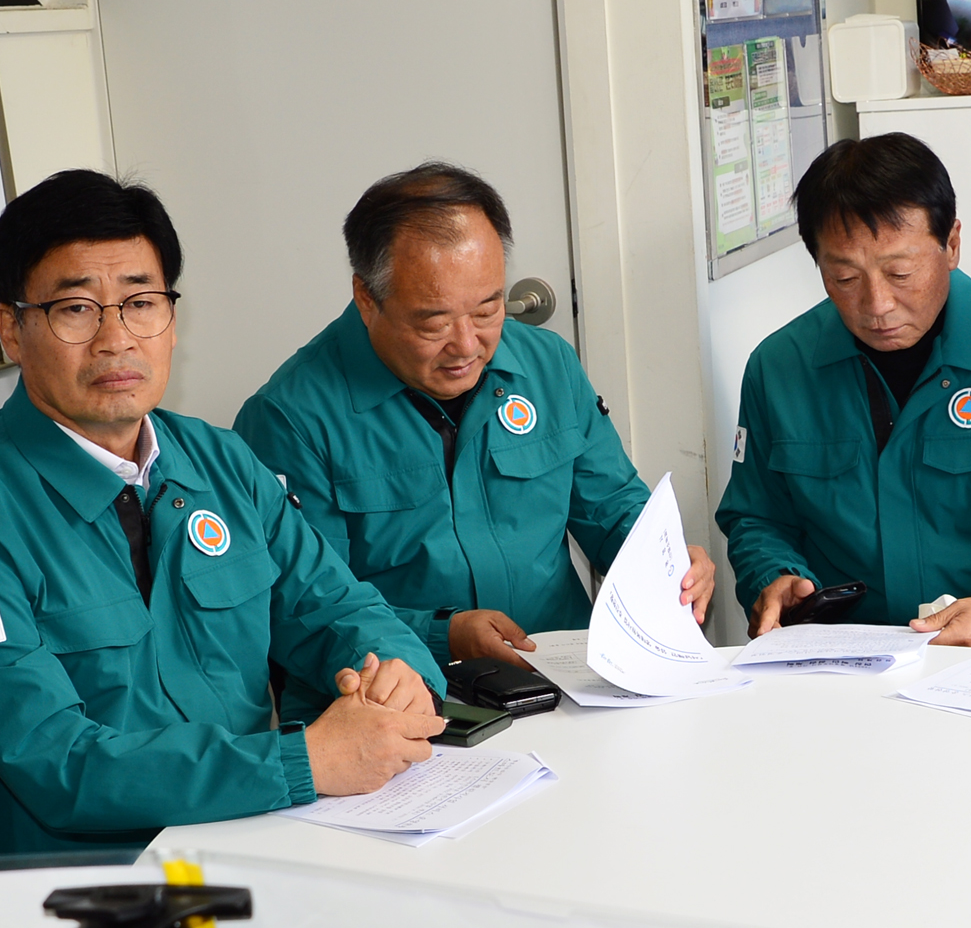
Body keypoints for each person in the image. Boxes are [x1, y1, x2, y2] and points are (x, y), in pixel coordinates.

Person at [0, 171, 444, 862]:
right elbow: (59, 764)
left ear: (172, 319)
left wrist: (398, 672)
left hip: (267, 843)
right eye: (76, 309)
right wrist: (300, 762)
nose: (115, 339)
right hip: (97, 896)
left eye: (140, 302)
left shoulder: (221, 461)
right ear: (12, 327)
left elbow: (338, 609)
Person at [236, 163, 709, 672]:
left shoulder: (547, 365)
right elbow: (304, 608)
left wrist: (668, 564)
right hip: (414, 702)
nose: (466, 346)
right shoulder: (290, 419)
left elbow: (613, 507)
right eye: (434, 322)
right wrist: (443, 636)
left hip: (569, 674)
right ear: (366, 298)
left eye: (487, 310)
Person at [717, 133, 971, 648]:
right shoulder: (779, 367)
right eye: (845, 277)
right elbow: (756, 516)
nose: (877, 303)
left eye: (900, 273)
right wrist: (775, 576)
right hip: (843, 663)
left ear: (951, 245)